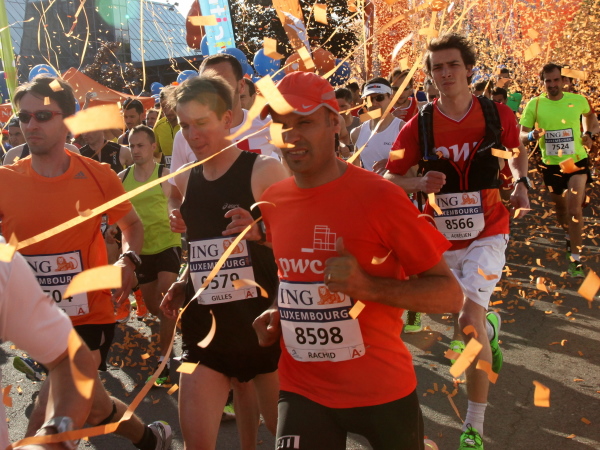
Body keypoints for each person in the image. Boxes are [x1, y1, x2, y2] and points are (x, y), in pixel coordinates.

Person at [244, 71, 462, 450]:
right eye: (280, 124)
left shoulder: (381, 197)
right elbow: (295, 274)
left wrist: (368, 287)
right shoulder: (274, 200)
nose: (290, 136)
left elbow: (449, 295)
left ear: (335, 122)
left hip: (381, 389)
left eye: (304, 123)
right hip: (302, 388)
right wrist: (281, 310)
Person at [0, 75, 171, 450]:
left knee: (48, 413)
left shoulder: (97, 175)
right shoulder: (5, 182)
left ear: (67, 121)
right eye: (24, 116)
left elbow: (131, 225)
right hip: (39, 321)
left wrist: (128, 259)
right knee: (95, 408)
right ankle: (151, 439)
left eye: (42, 116)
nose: (30, 125)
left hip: (89, 314)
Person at [384, 33, 529, 449]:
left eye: (452, 65)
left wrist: (520, 182)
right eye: (437, 68)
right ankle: (490, 328)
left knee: (466, 321)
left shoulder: (497, 114)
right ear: (430, 75)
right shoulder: (420, 125)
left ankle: (474, 428)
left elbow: (516, 151)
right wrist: (417, 182)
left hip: (489, 231)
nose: (445, 73)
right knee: (463, 318)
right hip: (440, 240)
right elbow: (390, 178)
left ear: (469, 69)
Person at [160, 75, 288, 449]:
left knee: (284, 435)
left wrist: (260, 233)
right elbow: (205, 250)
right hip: (205, 332)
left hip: (262, 329)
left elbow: (300, 250)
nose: (192, 135)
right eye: (185, 125)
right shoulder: (188, 180)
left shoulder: (263, 170)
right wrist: (184, 279)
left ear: (227, 118)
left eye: (202, 123)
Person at [0, 243, 97, 450]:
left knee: (99, 408)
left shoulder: (3, 262)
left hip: (86, 312)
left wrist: (51, 441)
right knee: (100, 409)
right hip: (50, 316)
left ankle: (149, 437)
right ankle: (149, 437)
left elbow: (71, 360)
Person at [520, 62, 599, 277]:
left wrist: (588, 134)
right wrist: (531, 135)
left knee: (574, 209)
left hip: (575, 161)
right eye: (548, 81)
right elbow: (521, 135)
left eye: (556, 80)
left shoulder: (578, 100)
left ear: (564, 80)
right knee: (562, 210)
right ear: (543, 82)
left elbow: (590, 117)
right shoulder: (535, 105)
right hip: (551, 165)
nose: (553, 85)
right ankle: (569, 236)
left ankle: (576, 259)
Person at [119, 125, 181, 386]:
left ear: (153, 146)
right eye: (131, 145)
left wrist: (175, 213)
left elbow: (177, 201)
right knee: (155, 306)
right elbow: (119, 214)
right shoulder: (122, 178)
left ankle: (163, 359)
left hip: (168, 243)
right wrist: (114, 229)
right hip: (141, 249)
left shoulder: (164, 175)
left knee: (166, 298)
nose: (135, 150)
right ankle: (176, 322)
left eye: (140, 145)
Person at [350, 77, 404, 174]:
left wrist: (390, 162)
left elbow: (413, 163)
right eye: (369, 99)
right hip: (369, 184)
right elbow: (356, 169)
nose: (374, 103)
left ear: (391, 98)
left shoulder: (402, 129)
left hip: (395, 183)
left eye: (379, 98)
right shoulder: (356, 133)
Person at [154, 87, 180, 168]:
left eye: (170, 105)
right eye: (163, 106)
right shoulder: (158, 126)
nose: (167, 111)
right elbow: (155, 156)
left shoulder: (189, 123)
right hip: (169, 173)